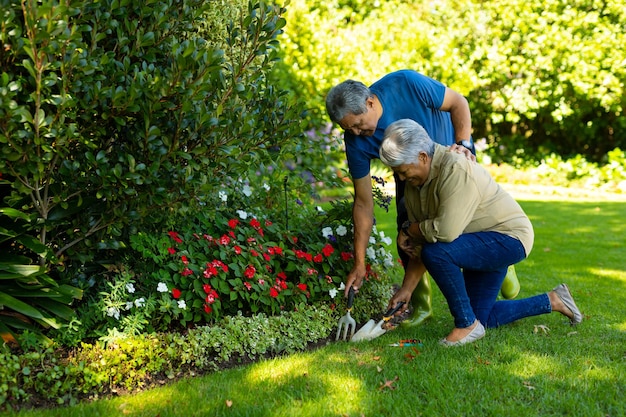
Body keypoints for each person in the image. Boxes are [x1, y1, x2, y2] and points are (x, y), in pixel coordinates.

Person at [325, 70, 519, 326]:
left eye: (359, 124)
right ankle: (420, 305)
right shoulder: (355, 140)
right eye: (349, 129)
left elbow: (458, 102)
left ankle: (504, 263)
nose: (358, 133)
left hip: (452, 164)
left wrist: (465, 144)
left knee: (465, 227)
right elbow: (363, 203)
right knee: (407, 235)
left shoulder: (405, 84)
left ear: (370, 102)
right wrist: (359, 263)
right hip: (411, 175)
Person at [379, 119, 583, 346]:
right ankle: (553, 300)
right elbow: (422, 240)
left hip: (508, 238)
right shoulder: (414, 184)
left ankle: (466, 326)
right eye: (396, 173)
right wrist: (406, 290)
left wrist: (411, 229)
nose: (401, 178)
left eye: (403, 171)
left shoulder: (455, 168)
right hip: (477, 241)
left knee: (437, 252)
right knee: (481, 317)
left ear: (423, 157)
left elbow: (443, 233)